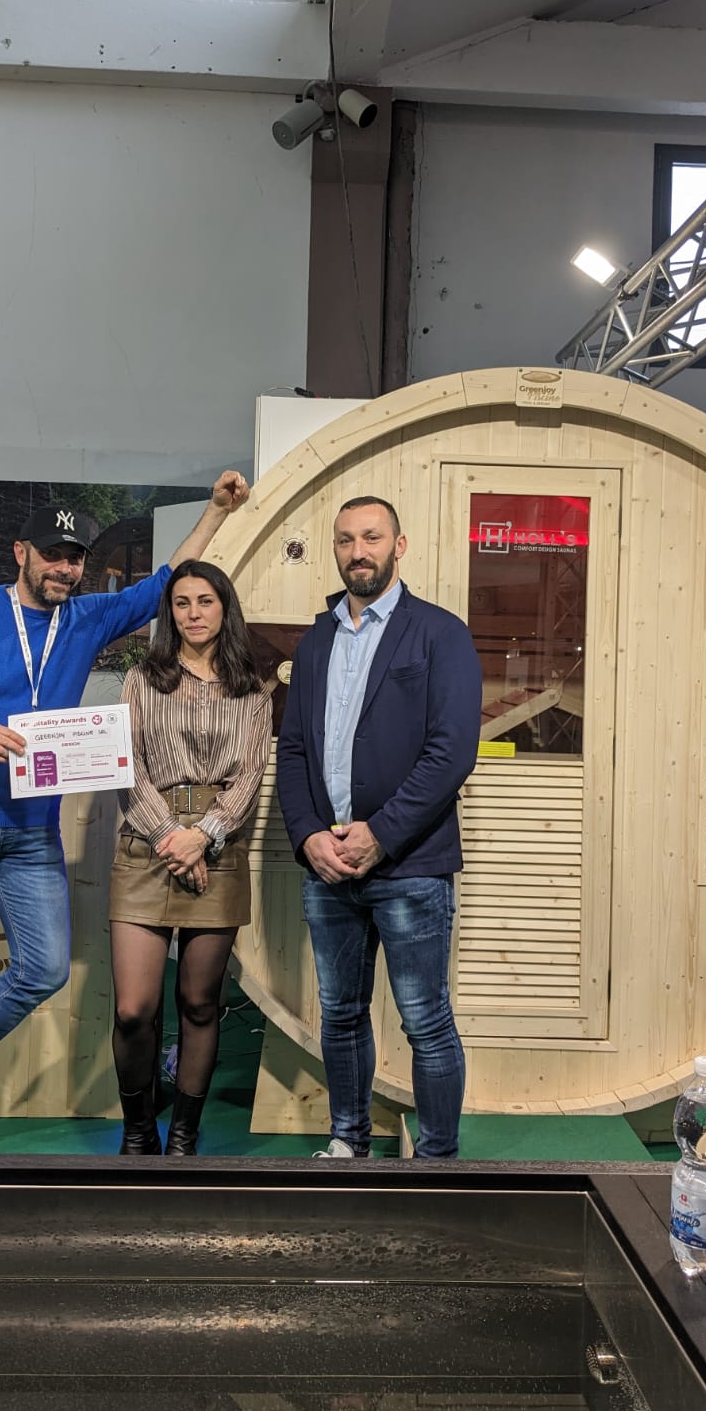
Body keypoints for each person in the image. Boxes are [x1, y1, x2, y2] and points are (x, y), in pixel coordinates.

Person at [0, 473, 249, 1156]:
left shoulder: (85, 617)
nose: (64, 569)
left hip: (29, 828)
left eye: (74, 558)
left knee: (43, 969)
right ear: (22, 553)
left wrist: (217, 511)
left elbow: (164, 584)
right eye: (52, 555)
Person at [275, 495, 482, 1160]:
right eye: (345, 540)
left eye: (371, 537)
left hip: (410, 865)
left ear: (399, 545)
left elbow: (452, 751)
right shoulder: (317, 640)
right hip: (327, 864)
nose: (357, 551)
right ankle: (349, 1143)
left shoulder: (440, 633)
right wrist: (308, 834)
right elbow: (294, 750)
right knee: (339, 1013)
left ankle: (439, 1161)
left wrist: (382, 833)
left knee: (425, 1019)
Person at [109, 560, 270, 1156]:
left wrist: (202, 836)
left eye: (205, 601)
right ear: (169, 612)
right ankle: (137, 1135)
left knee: (201, 1004)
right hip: (144, 847)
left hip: (216, 851)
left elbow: (250, 776)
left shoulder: (251, 690)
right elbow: (127, 767)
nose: (193, 613)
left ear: (224, 609)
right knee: (134, 1009)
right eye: (182, 603)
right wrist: (168, 837)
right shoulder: (141, 680)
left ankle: (182, 1139)